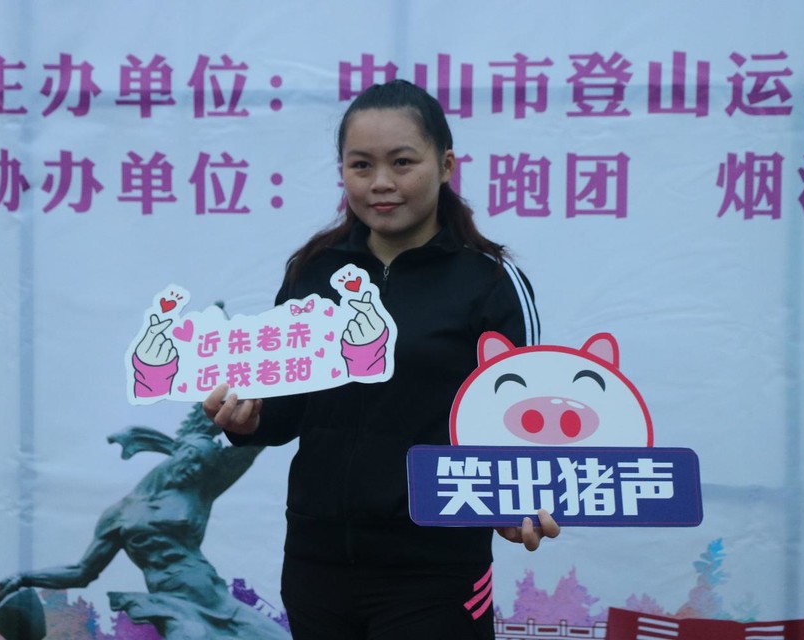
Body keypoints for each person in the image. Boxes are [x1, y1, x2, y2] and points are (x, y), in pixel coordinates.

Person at [203, 79, 559, 640]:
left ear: (445, 166)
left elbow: (524, 420)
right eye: (361, 165)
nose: (381, 183)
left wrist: (520, 501)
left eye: (402, 162)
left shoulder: (490, 281)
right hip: (317, 561)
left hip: (435, 570)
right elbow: (287, 407)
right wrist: (246, 419)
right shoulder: (313, 271)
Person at [0, 407, 288, 640]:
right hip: (174, 602)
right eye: (191, 459)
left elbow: (251, 448)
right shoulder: (120, 514)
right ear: (177, 452)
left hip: (216, 597)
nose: (194, 469)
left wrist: (264, 404)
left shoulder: (199, 492)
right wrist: (25, 578)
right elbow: (81, 572)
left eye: (202, 467)